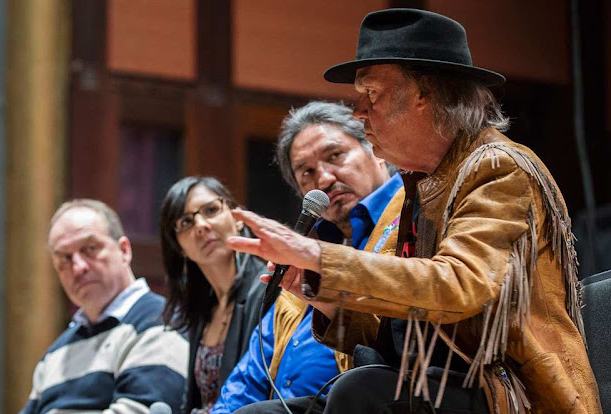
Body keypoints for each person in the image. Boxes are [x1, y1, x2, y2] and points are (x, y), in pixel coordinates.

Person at [227, 8, 602, 414]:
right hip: (432, 383)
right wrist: (322, 295)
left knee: (361, 389)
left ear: (426, 93)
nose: (358, 111)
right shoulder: (422, 183)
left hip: (508, 393)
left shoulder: (498, 167)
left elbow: (459, 287)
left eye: (371, 94)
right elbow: (399, 332)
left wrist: (319, 255)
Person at [212, 101, 403, 414]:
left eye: (335, 156)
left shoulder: (411, 216)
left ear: (375, 149)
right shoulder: (306, 254)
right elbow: (251, 374)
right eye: (307, 172)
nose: (324, 179)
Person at [20, 199, 189, 414]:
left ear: (124, 250)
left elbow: (140, 410)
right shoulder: (55, 353)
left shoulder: (161, 322)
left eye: (90, 249)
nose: (78, 267)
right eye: (65, 258)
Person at [160, 176, 274, 413]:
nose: (201, 225)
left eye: (211, 210)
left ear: (237, 218)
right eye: (186, 222)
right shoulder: (200, 308)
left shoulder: (268, 289)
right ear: (179, 247)